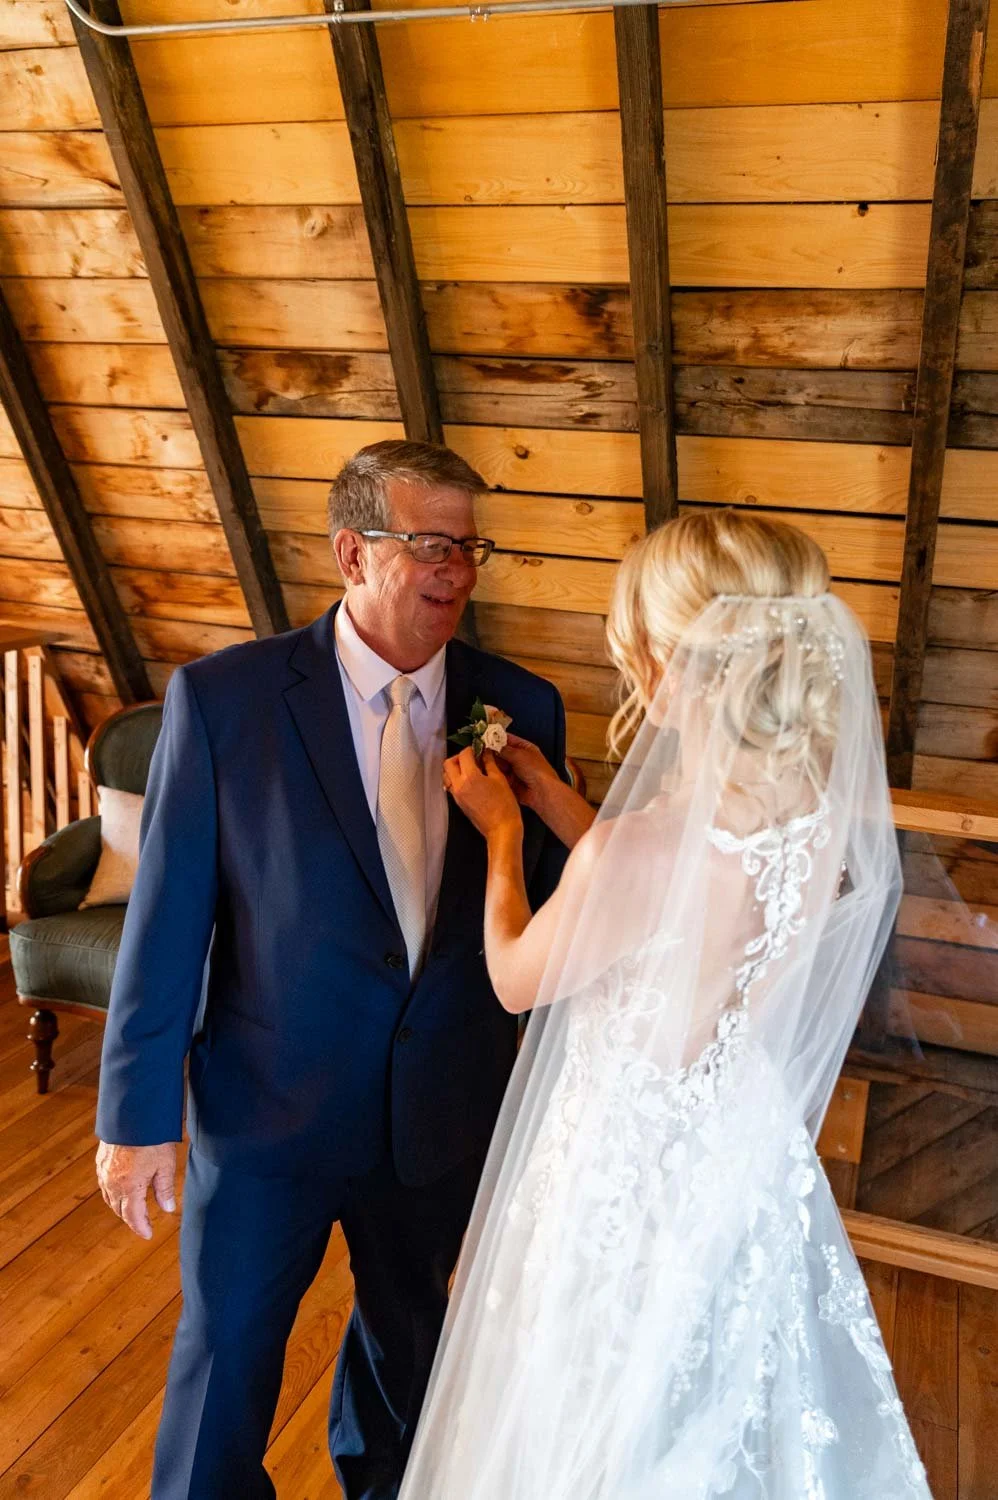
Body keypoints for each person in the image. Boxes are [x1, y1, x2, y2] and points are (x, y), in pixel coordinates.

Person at [404, 508, 932, 1499]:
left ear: (674, 670)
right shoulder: (816, 812)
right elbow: (677, 899)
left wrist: (505, 835)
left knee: (583, 1416)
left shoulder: (633, 850)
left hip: (617, 1164)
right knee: (698, 1398)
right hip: (729, 1147)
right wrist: (556, 801)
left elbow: (515, 975)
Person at [93, 440, 571, 1500]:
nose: (457, 571)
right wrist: (135, 1117)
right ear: (352, 554)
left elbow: (546, 918)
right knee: (225, 1360)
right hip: (270, 1107)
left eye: (471, 547)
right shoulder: (224, 700)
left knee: (412, 1347)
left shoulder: (521, 706)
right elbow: (166, 921)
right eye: (431, 545)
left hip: (440, 1106)